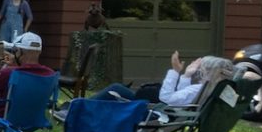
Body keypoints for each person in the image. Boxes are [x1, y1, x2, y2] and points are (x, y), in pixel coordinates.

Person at [95, 52, 238, 108]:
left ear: (208, 73)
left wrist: (175, 72)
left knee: (116, 89)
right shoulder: (208, 90)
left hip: (157, 114)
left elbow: (166, 97)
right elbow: (180, 97)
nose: (200, 72)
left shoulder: (198, 89)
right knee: (118, 90)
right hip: (171, 113)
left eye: (202, 70)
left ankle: (77, 108)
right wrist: (186, 76)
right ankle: (80, 108)